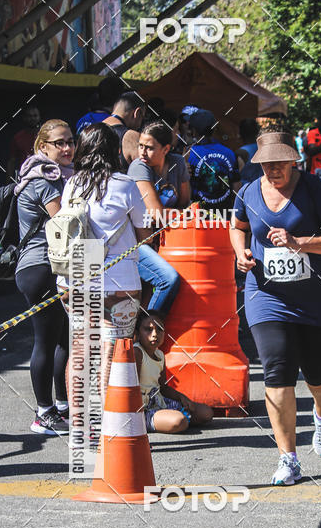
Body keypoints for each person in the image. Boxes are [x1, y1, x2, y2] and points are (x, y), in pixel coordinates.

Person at [230, 131, 321, 485]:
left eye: (280, 163)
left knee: (316, 371)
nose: (274, 170)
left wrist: (301, 242)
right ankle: (288, 458)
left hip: (318, 297)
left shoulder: (313, 189)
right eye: (267, 164)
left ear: (293, 161)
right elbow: (237, 228)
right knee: (277, 369)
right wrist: (241, 253)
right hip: (267, 296)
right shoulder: (249, 191)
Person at [58, 124, 151, 400]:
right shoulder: (126, 185)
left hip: (74, 280)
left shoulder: (71, 185)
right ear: (114, 150)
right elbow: (145, 236)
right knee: (111, 351)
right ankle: (105, 432)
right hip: (118, 283)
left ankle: (78, 430)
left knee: (80, 351)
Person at [14, 119, 73, 434]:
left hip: (47, 268)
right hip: (40, 269)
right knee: (46, 341)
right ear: (43, 147)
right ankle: (44, 413)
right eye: (59, 143)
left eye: (70, 141)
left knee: (64, 337)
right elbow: (64, 222)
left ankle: (61, 406)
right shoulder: (44, 179)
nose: (67, 148)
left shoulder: (54, 176)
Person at [128, 121, 189, 318]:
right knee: (168, 280)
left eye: (150, 148)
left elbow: (187, 204)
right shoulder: (139, 167)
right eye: (140, 146)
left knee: (148, 295)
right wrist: (177, 214)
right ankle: (150, 328)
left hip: (167, 240)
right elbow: (156, 214)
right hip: (136, 242)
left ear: (166, 149)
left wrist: (176, 213)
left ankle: (145, 335)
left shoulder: (178, 163)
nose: (142, 152)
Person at [134, 312, 213, 433]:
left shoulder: (160, 354)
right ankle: (153, 422)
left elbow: (163, 388)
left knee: (206, 413)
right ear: (138, 334)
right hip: (142, 410)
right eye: (148, 329)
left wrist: (182, 398)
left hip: (159, 402)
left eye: (159, 330)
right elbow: (132, 389)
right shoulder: (137, 352)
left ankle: (168, 419)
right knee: (179, 421)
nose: (155, 334)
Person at [187, 109, 240, 210]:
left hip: (198, 215)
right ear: (214, 129)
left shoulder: (189, 154)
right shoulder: (229, 152)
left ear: (193, 130)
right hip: (224, 214)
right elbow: (237, 186)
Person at [102, 91, 146, 173]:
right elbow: (144, 174)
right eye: (142, 117)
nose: (140, 125)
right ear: (137, 113)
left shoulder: (89, 131)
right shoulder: (132, 137)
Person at [6, 104, 40, 182]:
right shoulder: (18, 137)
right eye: (29, 116)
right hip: (25, 176)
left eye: (35, 116)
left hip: (43, 174)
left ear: (39, 117)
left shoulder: (45, 136)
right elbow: (12, 161)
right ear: (25, 118)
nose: (32, 118)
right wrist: (8, 182)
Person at [237, 118, 261, 185]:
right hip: (261, 188)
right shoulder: (263, 148)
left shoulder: (241, 152)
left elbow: (235, 177)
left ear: (241, 133)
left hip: (246, 190)